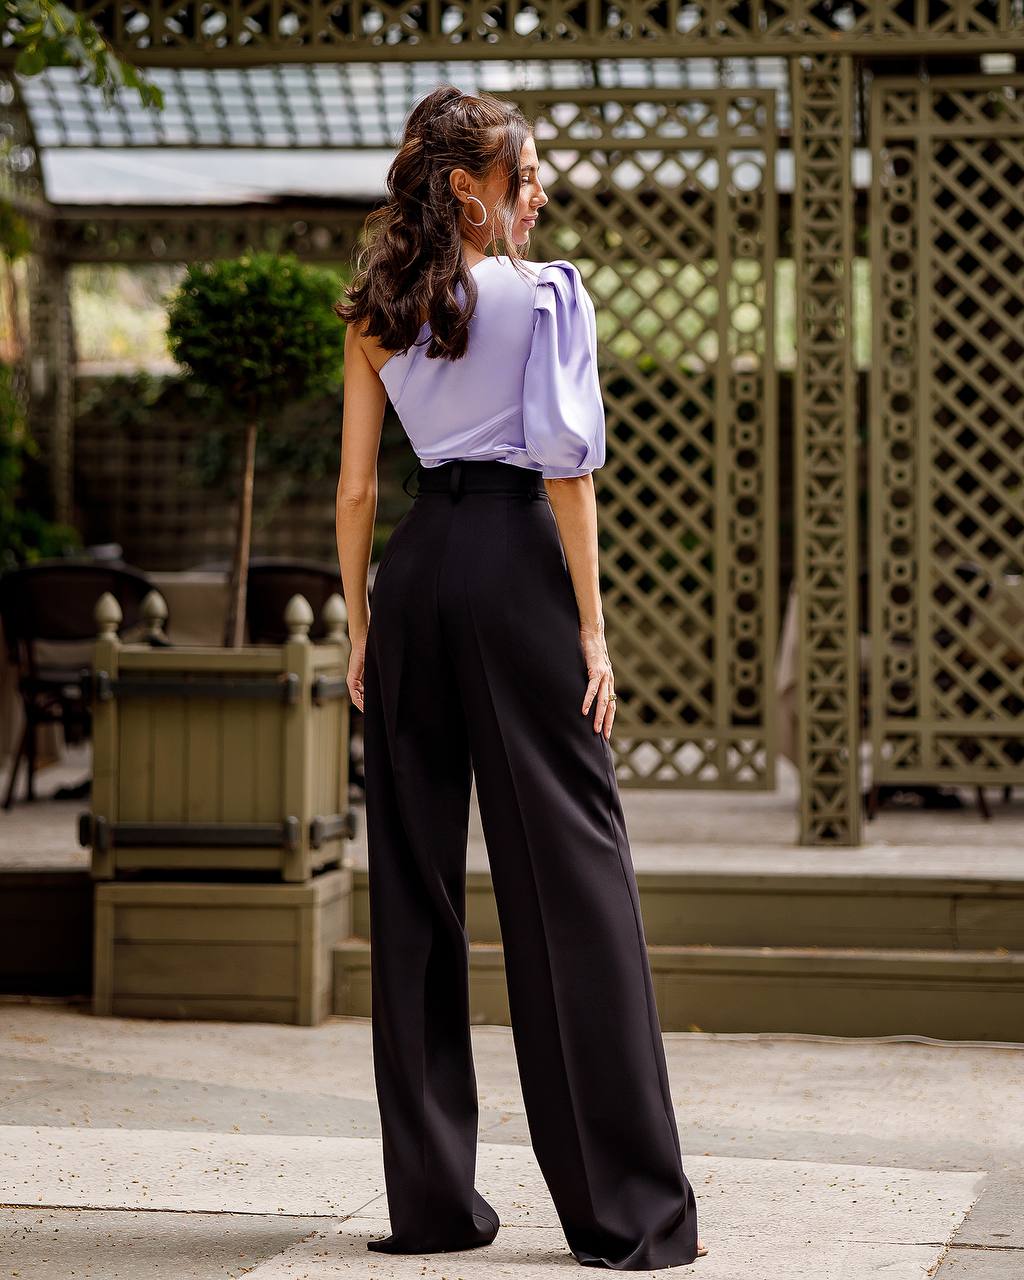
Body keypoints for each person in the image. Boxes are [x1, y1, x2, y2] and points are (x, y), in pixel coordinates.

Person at [334, 84, 707, 1270]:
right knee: (575, 883)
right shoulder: (545, 296)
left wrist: (360, 629)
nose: (539, 190)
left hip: (416, 576)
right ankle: (628, 1212)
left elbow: (351, 489)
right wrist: (592, 634)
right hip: (514, 571)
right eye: (524, 174)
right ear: (468, 189)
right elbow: (567, 473)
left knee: (414, 894)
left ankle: (432, 1205)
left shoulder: (377, 309)